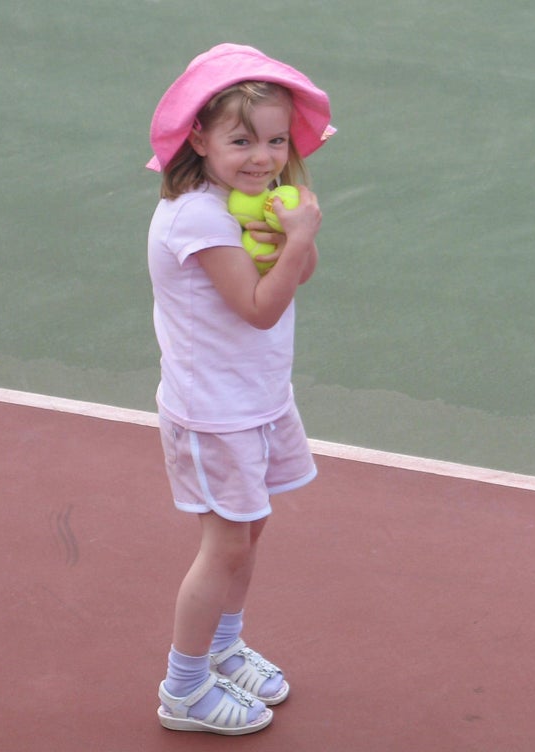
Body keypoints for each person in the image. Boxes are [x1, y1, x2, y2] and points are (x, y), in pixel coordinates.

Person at [146, 43, 335, 735]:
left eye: (276, 140)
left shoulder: (248, 202)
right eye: (241, 140)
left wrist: (297, 236)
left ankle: (223, 648)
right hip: (213, 413)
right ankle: (185, 688)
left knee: (250, 529)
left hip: (257, 398)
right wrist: (295, 241)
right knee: (224, 544)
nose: (263, 156)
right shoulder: (199, 217)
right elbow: (260, 305)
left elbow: (300, 276)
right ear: (198, 136)